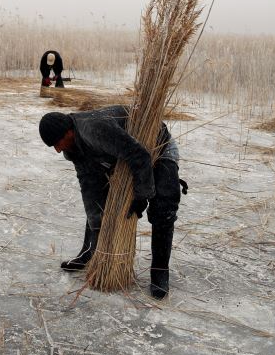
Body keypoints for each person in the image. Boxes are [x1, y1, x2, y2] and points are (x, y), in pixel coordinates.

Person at [38, 106, 187, 298]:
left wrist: (142, 196)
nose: (58, 150)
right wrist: (95, 218)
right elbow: (89, 184)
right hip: (125, 152)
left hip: (157, 144)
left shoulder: (95, 130)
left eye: (58, 143)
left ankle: (160, 271)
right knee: (99, 200)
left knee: (163, 205)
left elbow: (140, 156)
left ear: (69, 132)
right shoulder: (73, 147)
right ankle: (89, 251)